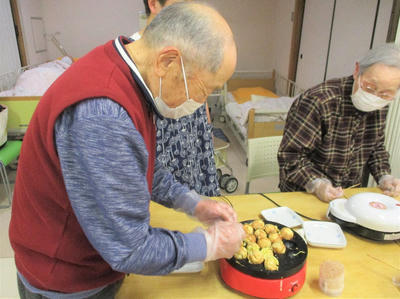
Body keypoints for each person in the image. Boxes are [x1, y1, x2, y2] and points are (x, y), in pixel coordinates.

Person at [9, 3, 244, 298]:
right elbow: (129, 248)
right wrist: (209, 245)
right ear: (167, 61)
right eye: (204, 89)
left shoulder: (128, 67)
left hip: (90, 257)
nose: (201, 101)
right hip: (66, 278)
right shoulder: (103, 113)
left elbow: (136, 161)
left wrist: (192, 203)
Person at [278, 43, 400, 202]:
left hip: (349, 196)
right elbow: (290, 156)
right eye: (369, 87)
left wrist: (384, 176)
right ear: (357, 71)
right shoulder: (318, 101)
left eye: (385, 94)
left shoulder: (380, 105)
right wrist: (318, 184)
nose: (375, 97)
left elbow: (375, 147)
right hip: (304, 193)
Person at [132, 0, 220, 196]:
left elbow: (200, 89)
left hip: (194, 132)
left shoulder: (193, 47)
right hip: (160, 137)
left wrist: (206, 124)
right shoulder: (137, 56)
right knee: (163, 202)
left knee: (198, 198)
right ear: (153, 3)